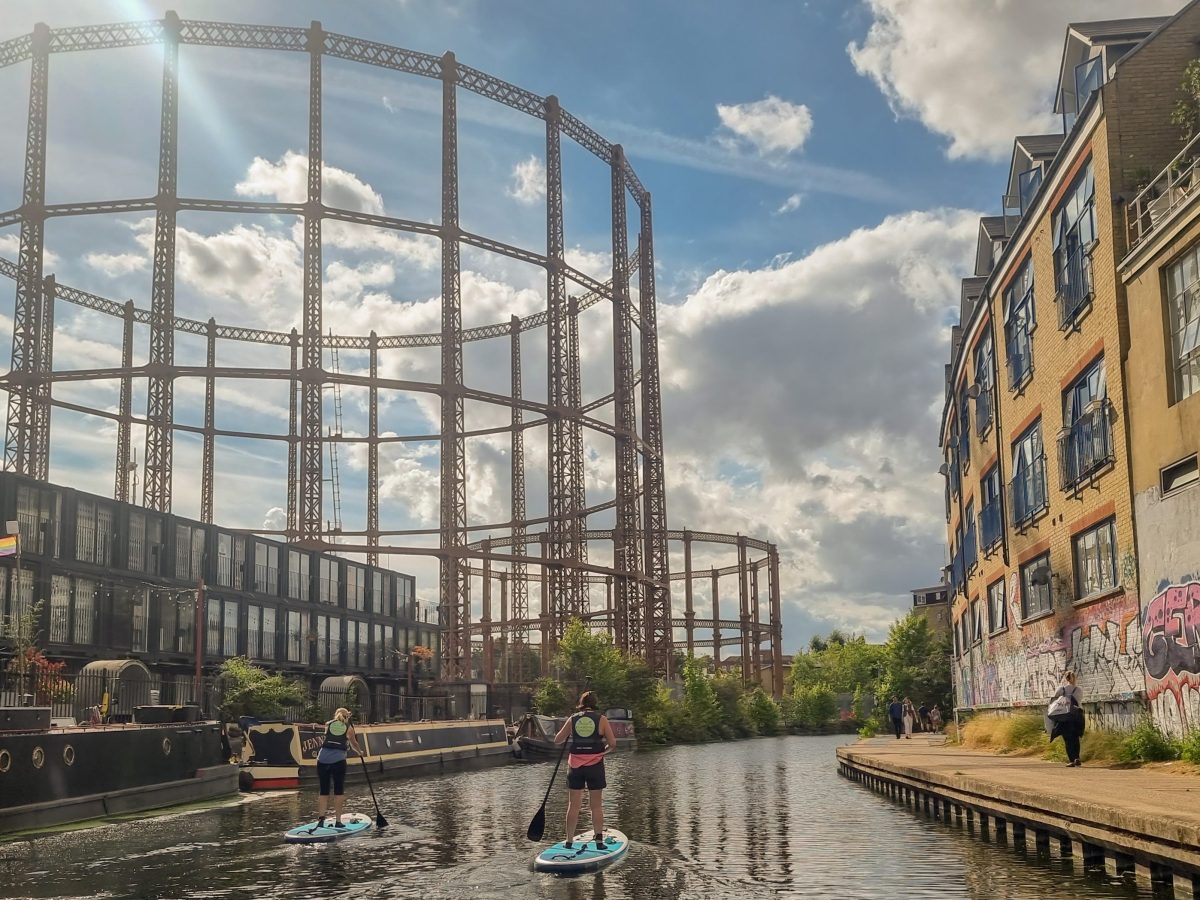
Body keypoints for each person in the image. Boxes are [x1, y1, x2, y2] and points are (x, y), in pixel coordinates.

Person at [553, 690, 617, 849]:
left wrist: (570, 727)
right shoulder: (602, 719)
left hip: (575, 766)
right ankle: (599, 842)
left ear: (581, 704)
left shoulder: (573, 719)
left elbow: (557, 740)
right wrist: (603, 752)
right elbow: (613, 744)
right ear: (595, 703)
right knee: (596, 805)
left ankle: (569, 841)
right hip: (595, 765)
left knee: (573, 805)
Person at [315, 707, 364, 828]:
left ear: (335, 715)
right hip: (338, 761)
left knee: (323, 790)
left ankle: (321, 820)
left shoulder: (328, 724)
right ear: (347, 716)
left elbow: (329, 738)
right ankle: (338, 821)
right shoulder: (349, 728)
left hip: (322, 760)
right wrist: (360, 752)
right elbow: (353, 744)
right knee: (338, 791)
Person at [1047, 672, 1085, 767]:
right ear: (1075, 678)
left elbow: (1055, 700)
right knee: (1075, 738)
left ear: (1066, 678)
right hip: (1076, 717)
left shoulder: (1061, 689)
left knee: (1067, 740)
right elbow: (1079, 701)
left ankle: (1072, 760)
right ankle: (1077, 758)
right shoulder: (1078, 690)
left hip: (1063, 718)